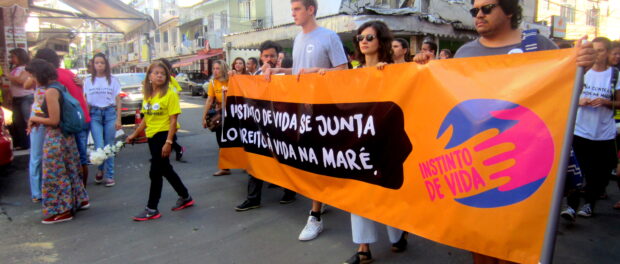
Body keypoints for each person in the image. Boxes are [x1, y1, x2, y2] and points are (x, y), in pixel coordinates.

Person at [414, 0, 595, 263]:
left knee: (520, 249)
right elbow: (445, 105)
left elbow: (563, 99)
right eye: (475, 10)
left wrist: (581, 67)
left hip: (529, 165)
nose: (479, 15)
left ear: (510, 10)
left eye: (487, 8)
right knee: (481, 244)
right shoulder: (464, 53)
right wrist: (423, 70)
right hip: (478, 165)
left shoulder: (540, 46)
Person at [264, 0, 349, 242]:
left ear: (311, 10)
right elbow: (299, 72)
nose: (293, 14)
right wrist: (279, 71)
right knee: (311, 160)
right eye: (292, 9)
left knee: (317, 161)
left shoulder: (329, 37)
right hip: (300, 111)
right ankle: (322, 200)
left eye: (297, 9)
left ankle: (315, 216)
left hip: (324, 112)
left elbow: (344, 71)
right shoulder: (298, 39)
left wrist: (318, 73)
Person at [342, 20, 408, 264]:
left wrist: (389, 75)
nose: (364, 41)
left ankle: (398, 233)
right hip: (358, 143)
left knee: (389, 192)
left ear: (381, 41)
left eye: (369, 37)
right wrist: (322, 79)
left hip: (387, 143)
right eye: (360, 37)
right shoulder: (353, 73)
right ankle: (363, 248)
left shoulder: (394, 70)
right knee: (359, 192)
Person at [234, 40, 298, 212]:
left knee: (282, 161)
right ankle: (253, 198)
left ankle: (290, 192)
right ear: (261, 57)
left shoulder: (284, 77)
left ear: (278, 58)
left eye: (272, 56)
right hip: (260, 128)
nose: (269, 59)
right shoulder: (254, 76)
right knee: (256, 160)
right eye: (266, 56)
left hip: (280, 128)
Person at [126, 61, 194, 221]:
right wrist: (134, 134)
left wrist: (169, 142)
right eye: (156, 73)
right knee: (166, 170)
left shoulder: (170, 94)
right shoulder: (148, 96)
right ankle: (185, 196)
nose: (159, 76)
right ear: (149, 76)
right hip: (151, 136)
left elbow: (173, 120)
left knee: (155, 172)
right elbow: (145, 119)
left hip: (163, 135)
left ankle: (152, 208)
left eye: (162, 74)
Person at [561, 37, 619, 219]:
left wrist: (607, 102)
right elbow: (565, 96)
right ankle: (571, 207)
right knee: (575, 171)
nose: (596, 54)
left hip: (603, 134)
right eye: (593, 49)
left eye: (600, 50)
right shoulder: (581, 72)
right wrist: (580, 101)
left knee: (597, 174)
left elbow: (619, 102)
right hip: (579, 130)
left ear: (608, 53)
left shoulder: (614, 75)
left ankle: (589, 205)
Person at [26, 59, 89, 224]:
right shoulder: (60, 87)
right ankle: (78, 200)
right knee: (70, 169)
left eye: (32, 75)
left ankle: (63, 210)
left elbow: (54, 120)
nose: (32, 79)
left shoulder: (50, 92)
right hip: (66, 137)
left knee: (55, 174)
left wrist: (34, 118)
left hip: (56, 138)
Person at [33, 48, 92, 189]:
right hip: (82, 118)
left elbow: (55, 116)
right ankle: (81, 193)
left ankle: (80, 193)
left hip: (71, 122)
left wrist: (36, 118)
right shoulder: (68, 73)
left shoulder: (53, 83)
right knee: (80, 158)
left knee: (73, 160)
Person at [84, 53, 121, 187]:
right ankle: (100, 170)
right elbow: (86, 100)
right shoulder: (88, 80)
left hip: (110, 112)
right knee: (99, 145)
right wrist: (86, 117)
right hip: (95, 114)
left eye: (102, 63)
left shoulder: (113, 80)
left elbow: (118, 99)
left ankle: (110, 175)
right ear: (93, 65)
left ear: (106, 65)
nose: (99, 65)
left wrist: (118, 119)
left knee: (109, 146)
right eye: (97, 62)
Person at [202, 60, 232, 176]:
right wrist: (204, 117)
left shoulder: (231, 79)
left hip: (233, 113)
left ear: (223, 69)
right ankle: (225, 168)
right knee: (221, 140)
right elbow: (209, 100)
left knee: (236, 140)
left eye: (218, 68)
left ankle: (245, 164)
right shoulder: (213, 83)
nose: (215, 71)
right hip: (220, 115)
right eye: (214, 68)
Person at [6, 48, 33, 150]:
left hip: (26, 97)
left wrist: (8, 75)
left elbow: (21, 81)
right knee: (18, 121)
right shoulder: (14, 69)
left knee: (27, 120)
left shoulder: (26, 68)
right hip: (16, 98)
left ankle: (30, 142)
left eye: (13, 56)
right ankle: (23, 143)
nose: (11, 59)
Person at [160, 58, 185, 161]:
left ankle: (177, 148)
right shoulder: (157, 79)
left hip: (170, 109)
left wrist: (172, 95)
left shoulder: (171, 79)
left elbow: (178, 90)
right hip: (159, 111)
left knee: (168, 131)